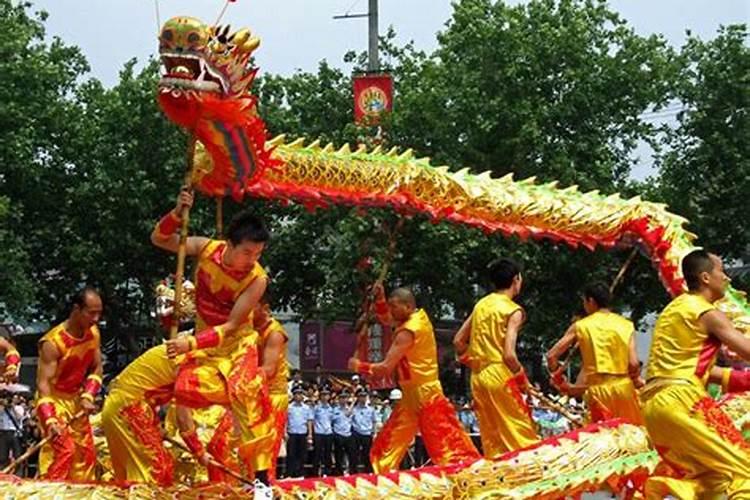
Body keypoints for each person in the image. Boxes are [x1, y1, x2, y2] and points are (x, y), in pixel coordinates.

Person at [152, 189, 276, 486]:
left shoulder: (256, 279)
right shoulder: (206, 248)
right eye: (247, 252)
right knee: (181, 390)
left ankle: (261, 483)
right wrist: (176, 213)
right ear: (229, 244)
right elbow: (159, 239)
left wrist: (190, 343)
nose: (252, 260)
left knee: (247, 400)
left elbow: (233, 325)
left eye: (258, 254)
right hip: (203, 343)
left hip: (235, 347)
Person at [642, 250, 750, 498]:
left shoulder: (673, 310)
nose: (727, 278)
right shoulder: (706, 312)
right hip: (683, 401)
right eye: (721, 271)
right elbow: (746, 350)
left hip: (654, 410)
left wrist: (743, 380)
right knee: (744, 468)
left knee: (711, 478)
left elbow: (698, 369)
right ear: (705, 277)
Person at [350, 285, 479, 473]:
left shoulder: (409, 329)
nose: (391, 311)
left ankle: (469, 475)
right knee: (386, 445)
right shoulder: (415, 317)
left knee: (448, 445)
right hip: (411, 394)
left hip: (426, 394)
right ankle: (383, 479)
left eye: (394, 307)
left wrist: (359, 366)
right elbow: (386, 317)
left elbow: (386, 368)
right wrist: (380, 298)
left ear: (408, 306)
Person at [453, 258, 538, 458]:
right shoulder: (512, 310)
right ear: (516, 279)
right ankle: (533, 481)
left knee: (493, 439)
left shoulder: (481, 305)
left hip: (478, 377)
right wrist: (523, 379)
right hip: (500, 375)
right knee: (521, 434)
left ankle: (501, 483)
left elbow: (458, 341)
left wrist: (473, 360)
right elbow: (509, 355)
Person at [546, 282, 644, 424]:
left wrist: (558, 379)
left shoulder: (581, 325)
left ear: (590, 301)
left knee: (601, 438)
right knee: (632, 435)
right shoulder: (626, 324)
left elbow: (551, 356)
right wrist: (634, 380)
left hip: (599, 393)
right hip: (624, 390)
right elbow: (633, 363)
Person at [36, 286, 103, 480]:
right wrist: (50, 420)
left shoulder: (94, 333)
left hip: (76, 400)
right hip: (54, 401)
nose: (96, 319)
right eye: (92, 313)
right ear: (76, 309)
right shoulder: (53, 343)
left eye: (99, 313)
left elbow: (97, 367)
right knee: (64, 451)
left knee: (85, 455)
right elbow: (43, 385)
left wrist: (88, 394)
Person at [101, 345, 177, 486]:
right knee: (155, 471)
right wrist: (199, 452)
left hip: (121, 408)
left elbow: (148, 391)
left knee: (132, 478)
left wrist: (155, 425)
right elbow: (184, 415)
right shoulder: (187, 359)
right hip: (127, 410)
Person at [286, 386, 313, 478]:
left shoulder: (306, 408)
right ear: (293, 396)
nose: (299, 396)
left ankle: (300, 473)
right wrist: (284, 433)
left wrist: (309, 434)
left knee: (302, 455)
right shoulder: (289, 407)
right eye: (297, 394)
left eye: (300, 394)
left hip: (302, 433)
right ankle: (289, 474)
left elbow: (309, 421)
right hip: (292, 433)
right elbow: (285, 420)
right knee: (291, 454)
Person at [349, 388, 378, 473]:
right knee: (354, 453)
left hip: (367, 433)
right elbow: (347, 414)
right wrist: (353, 402)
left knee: (367, 454)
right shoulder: (354, 409)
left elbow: (374, 421)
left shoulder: (370, 409)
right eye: (361, 396)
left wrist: (374, 433)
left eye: (364, 396)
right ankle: (353, 471)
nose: (363, 398)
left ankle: (368, 471)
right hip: (356, 433)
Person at [312, 387, 334, 476]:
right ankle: (315, 472)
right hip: (319, 433)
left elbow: (332, 421)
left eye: (327, 395)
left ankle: (327, 472)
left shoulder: (331, 408)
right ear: (320, 397)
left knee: (328, 453)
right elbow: (312, 420)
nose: (325, 397)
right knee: (317, 453)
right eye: (323, 395)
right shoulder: (316, 408)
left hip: (328, 433)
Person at [332, 391, 354, 476]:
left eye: (345, 398)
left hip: (348, 434)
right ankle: (339, 472)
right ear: (339, 399)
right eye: (341, 398)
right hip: (338, 434)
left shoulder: (350, 409)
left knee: (351, 454)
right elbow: (332, 422)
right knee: (339, 455)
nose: (343, 400)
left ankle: (349, 471)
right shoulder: (334, 410)